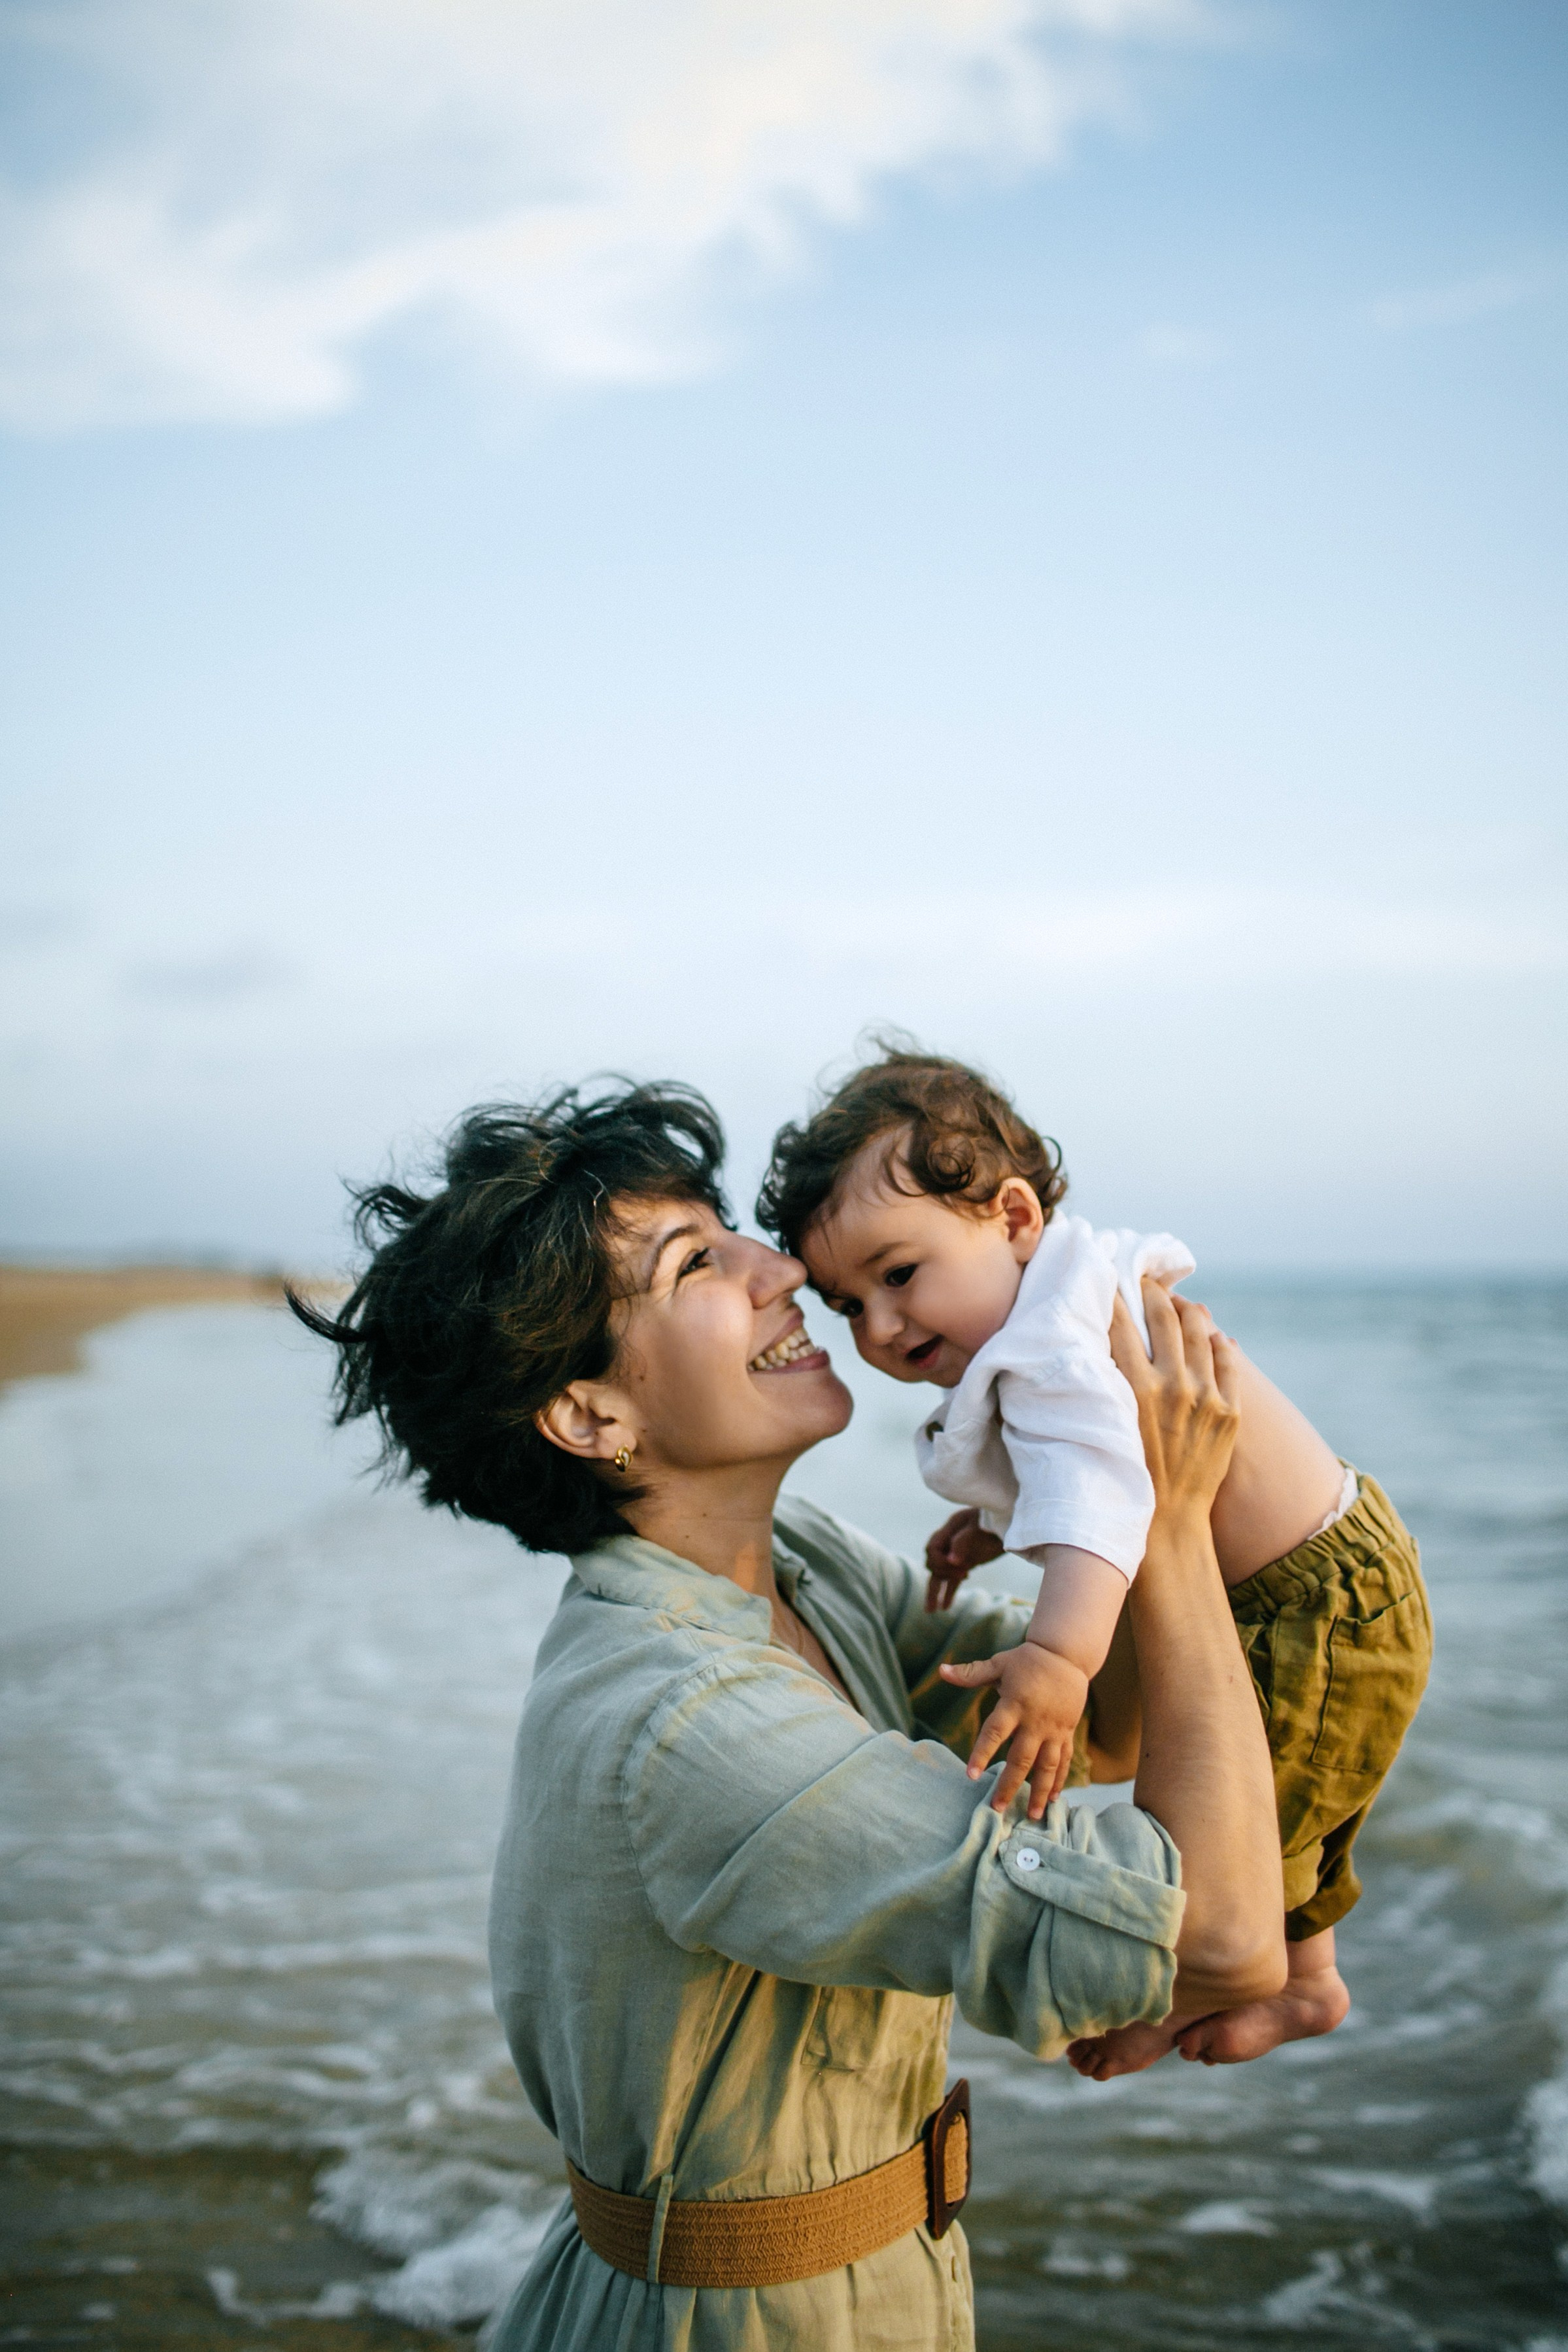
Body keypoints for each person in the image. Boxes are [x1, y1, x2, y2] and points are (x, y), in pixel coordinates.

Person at [292, 1078, 1285, 2351]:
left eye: (733, 1231)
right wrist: (1176, 1522)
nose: (780, 1271)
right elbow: (1224, 1934)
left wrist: (1101, 1452)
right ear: (589, 1412)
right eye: (698, 1260)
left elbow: (1098, 1726)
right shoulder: (695, 1722)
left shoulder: (792, 1561)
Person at [758, 1044, 1433, 2077]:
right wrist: (993, 1524)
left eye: (898, 1275)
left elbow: (1102, 1491)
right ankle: (1306, 1978)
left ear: (1014, 1218)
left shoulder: (1051, 1349)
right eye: (849, 1305)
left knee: (1267, 1804)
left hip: (1309, 1595)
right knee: (1290, 1776)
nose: (882, 1326)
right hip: (1320, 1569)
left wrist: (1060, 1658)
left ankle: (1221, 1981)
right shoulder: (1052, 1307)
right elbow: (1083, 1468)